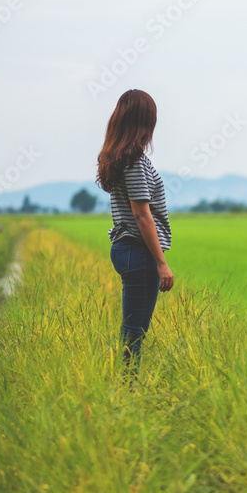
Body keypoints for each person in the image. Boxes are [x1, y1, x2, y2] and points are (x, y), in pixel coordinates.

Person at [95, 89, 174, 376]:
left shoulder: (119, 158)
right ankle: (127, 392)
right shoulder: (135, 161)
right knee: (134, 331)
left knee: (133, 329)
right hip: (139, 253)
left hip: (128, 250)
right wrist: (161, 263)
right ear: (144, 122)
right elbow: (142, 215)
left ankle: (125, 389)